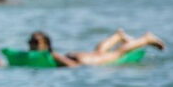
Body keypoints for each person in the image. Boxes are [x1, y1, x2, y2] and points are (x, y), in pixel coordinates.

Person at [26, 29, 165, 67]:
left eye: (35, 43)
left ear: (46, 45)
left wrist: (60, 61)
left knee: (119, 53)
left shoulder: (52, 55)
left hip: (84, 61)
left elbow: (74, 67)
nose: (32, 45)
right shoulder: (40, 56)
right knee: (99, 51)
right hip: (77, 56)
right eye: (31, 42)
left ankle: (146, 38)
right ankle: (117, 36)